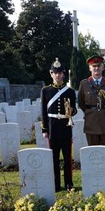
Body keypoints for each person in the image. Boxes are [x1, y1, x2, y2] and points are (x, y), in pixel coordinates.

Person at [41, 58, 77, 192]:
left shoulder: (70, 91)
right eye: (55, 73)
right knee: (54, 158)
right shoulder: (45, 90)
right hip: (52, 128)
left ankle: (69, 183)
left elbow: (74, 109)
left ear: (63, 74)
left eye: (60, 73)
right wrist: (45, 128)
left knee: (67, 158)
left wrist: (71, 111)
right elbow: (43, 111)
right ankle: (56, 184)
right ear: (51, 74)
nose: (57, 75)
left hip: (66, 127)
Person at [78, 55, 105, 146]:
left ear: (102, 67)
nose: (96, 68)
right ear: (90, 68)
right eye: (94, 66)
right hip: (91, 122)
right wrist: (91, 111)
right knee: (93, 152)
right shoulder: (84, 84)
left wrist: (104, 110)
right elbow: (81, 102)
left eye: (98, 66)